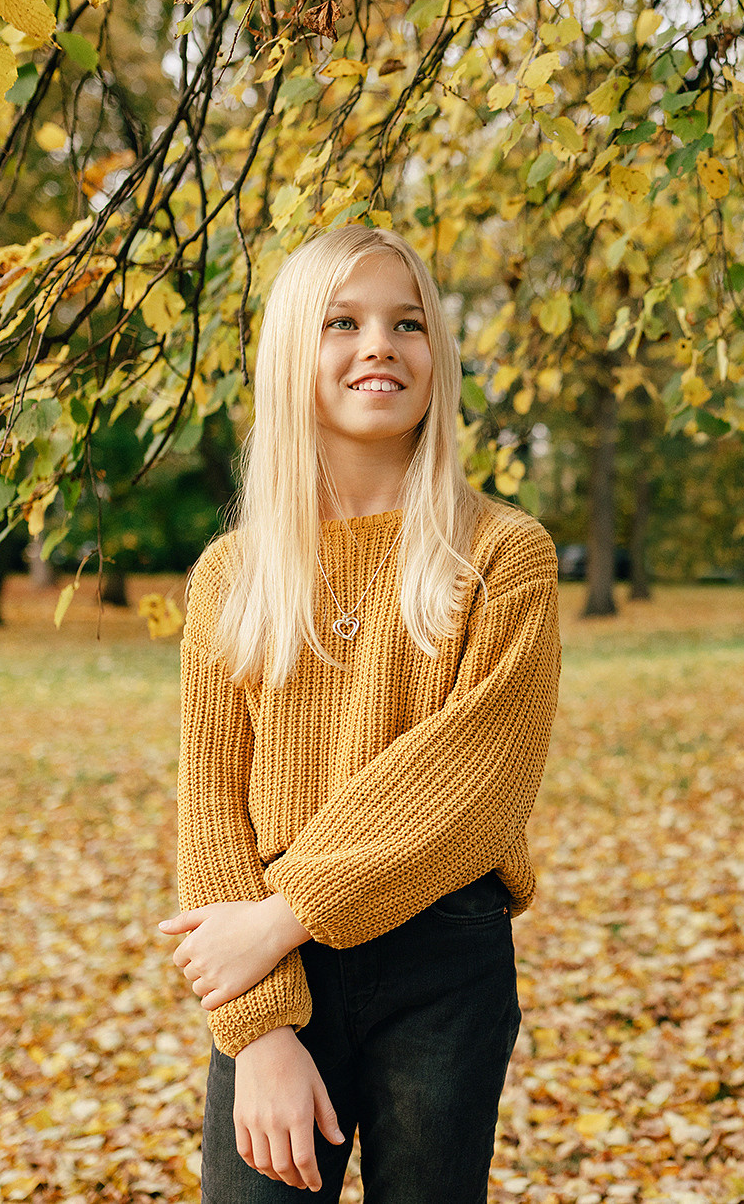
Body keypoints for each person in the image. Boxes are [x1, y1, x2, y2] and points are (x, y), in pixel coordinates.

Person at [156, 225, 562, 1202]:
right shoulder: (233, 576)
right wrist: (259, 1030)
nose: (379, 344)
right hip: (274, 979)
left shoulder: (503, 555)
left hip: (441, 957)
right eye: (343, 321)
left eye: (407, 323)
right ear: (294, 355)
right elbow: (212, 806)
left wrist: (283, 916)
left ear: (437, 359)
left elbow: (472, 783)